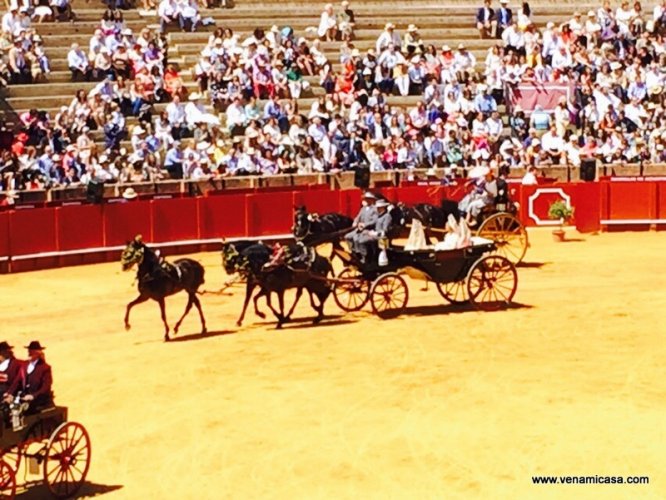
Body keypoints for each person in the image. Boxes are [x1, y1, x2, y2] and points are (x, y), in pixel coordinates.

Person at [4, 341, 53, 414]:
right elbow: (17, 381)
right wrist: (10, 393)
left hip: (39, 400)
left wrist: (33, 396)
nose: (29, 353)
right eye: (29, 351)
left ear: (38, 353)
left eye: (32, 352)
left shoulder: (44, 367)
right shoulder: (24, 365)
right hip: (24, 398)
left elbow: (46, 386)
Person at [345, 191, 378, 262]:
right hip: (360, 229)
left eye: (367, 199)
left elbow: (374, 221)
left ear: (371, 200)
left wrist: (364, 225)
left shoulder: (374, 209)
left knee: (357, 239)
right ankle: (354, 252)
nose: (365, 200)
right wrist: (355, 221)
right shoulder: (363, 209)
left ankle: (363, 256)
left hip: (368, 230)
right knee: (347, 237)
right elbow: (358, 216)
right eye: (365, 199)